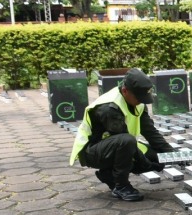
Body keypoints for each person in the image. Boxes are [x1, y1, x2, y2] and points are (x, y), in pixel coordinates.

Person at [69, 69, 173, 201]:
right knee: (128, 144)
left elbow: (150, 132)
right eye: (139, 98)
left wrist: (171, 154)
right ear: (125, 91)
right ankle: (121, 186)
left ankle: (108, 174)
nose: (141, 102)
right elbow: (125, 144)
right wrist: (146, 164)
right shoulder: (109, 107)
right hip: (92, 151)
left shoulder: (136, 102)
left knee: (158, 157)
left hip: (113, 145)